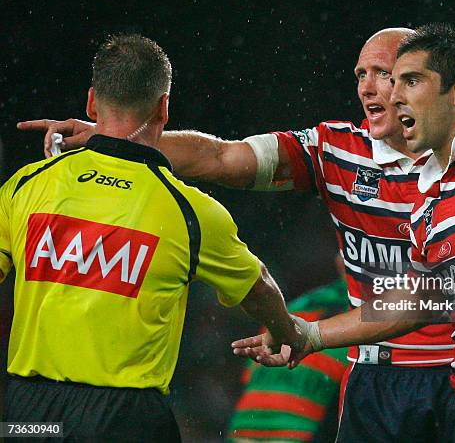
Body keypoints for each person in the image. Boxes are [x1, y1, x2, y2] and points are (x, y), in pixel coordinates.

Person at [18, 28, 455, 443]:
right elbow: (221, 157)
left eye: (384, 73)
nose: (367, 87)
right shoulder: (335, 150)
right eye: (361, 74)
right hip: (376, 375)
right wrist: (114, 138)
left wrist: (312, 334)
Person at [235, 23, 455, 442]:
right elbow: (417, 302)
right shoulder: (431, 196)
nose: (394, 95)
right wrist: (310, 334)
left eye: (410, 81)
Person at [2, 34, 301, 442]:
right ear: (164, 107)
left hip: (29, 415)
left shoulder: (26, 185)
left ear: (91, 103)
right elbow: (260, 287)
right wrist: (287, 333)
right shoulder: (191, 213)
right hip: (124, 419)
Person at [227, 255, 349, 443]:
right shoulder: (373, 314)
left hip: (243, 430)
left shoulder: (294, 307)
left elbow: (250, 375)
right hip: (299, 433)